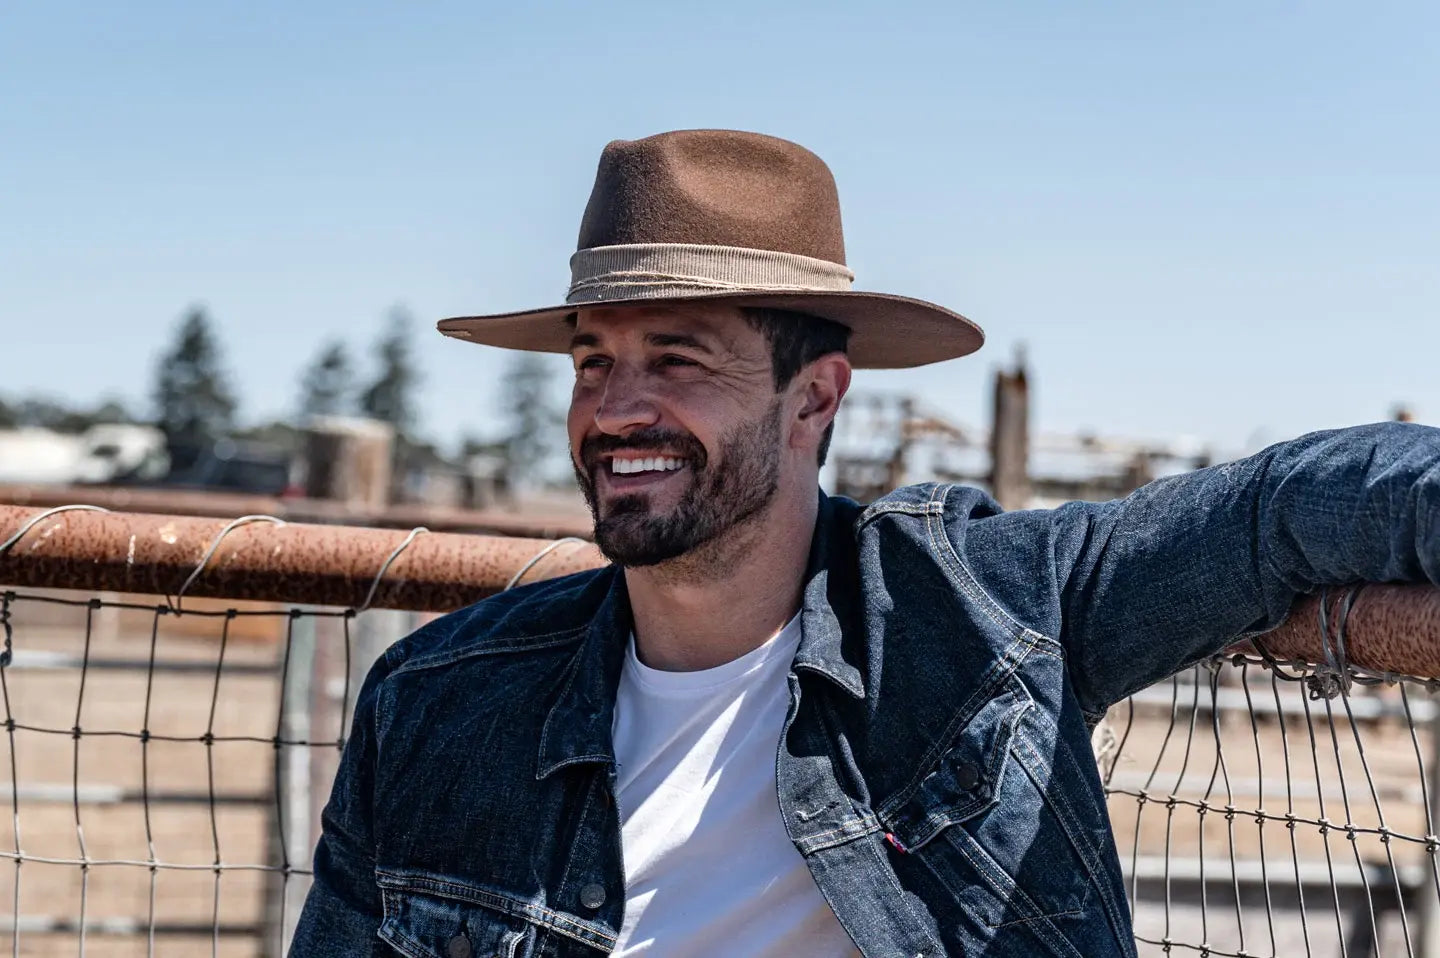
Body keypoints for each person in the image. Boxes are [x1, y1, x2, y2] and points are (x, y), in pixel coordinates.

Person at [290, 130, 1440, 958]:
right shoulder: (438, 705)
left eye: (678, 358)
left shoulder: (983, 613)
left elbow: (1285, 505)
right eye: (593, 360)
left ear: (814, 399)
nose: (616, 408)